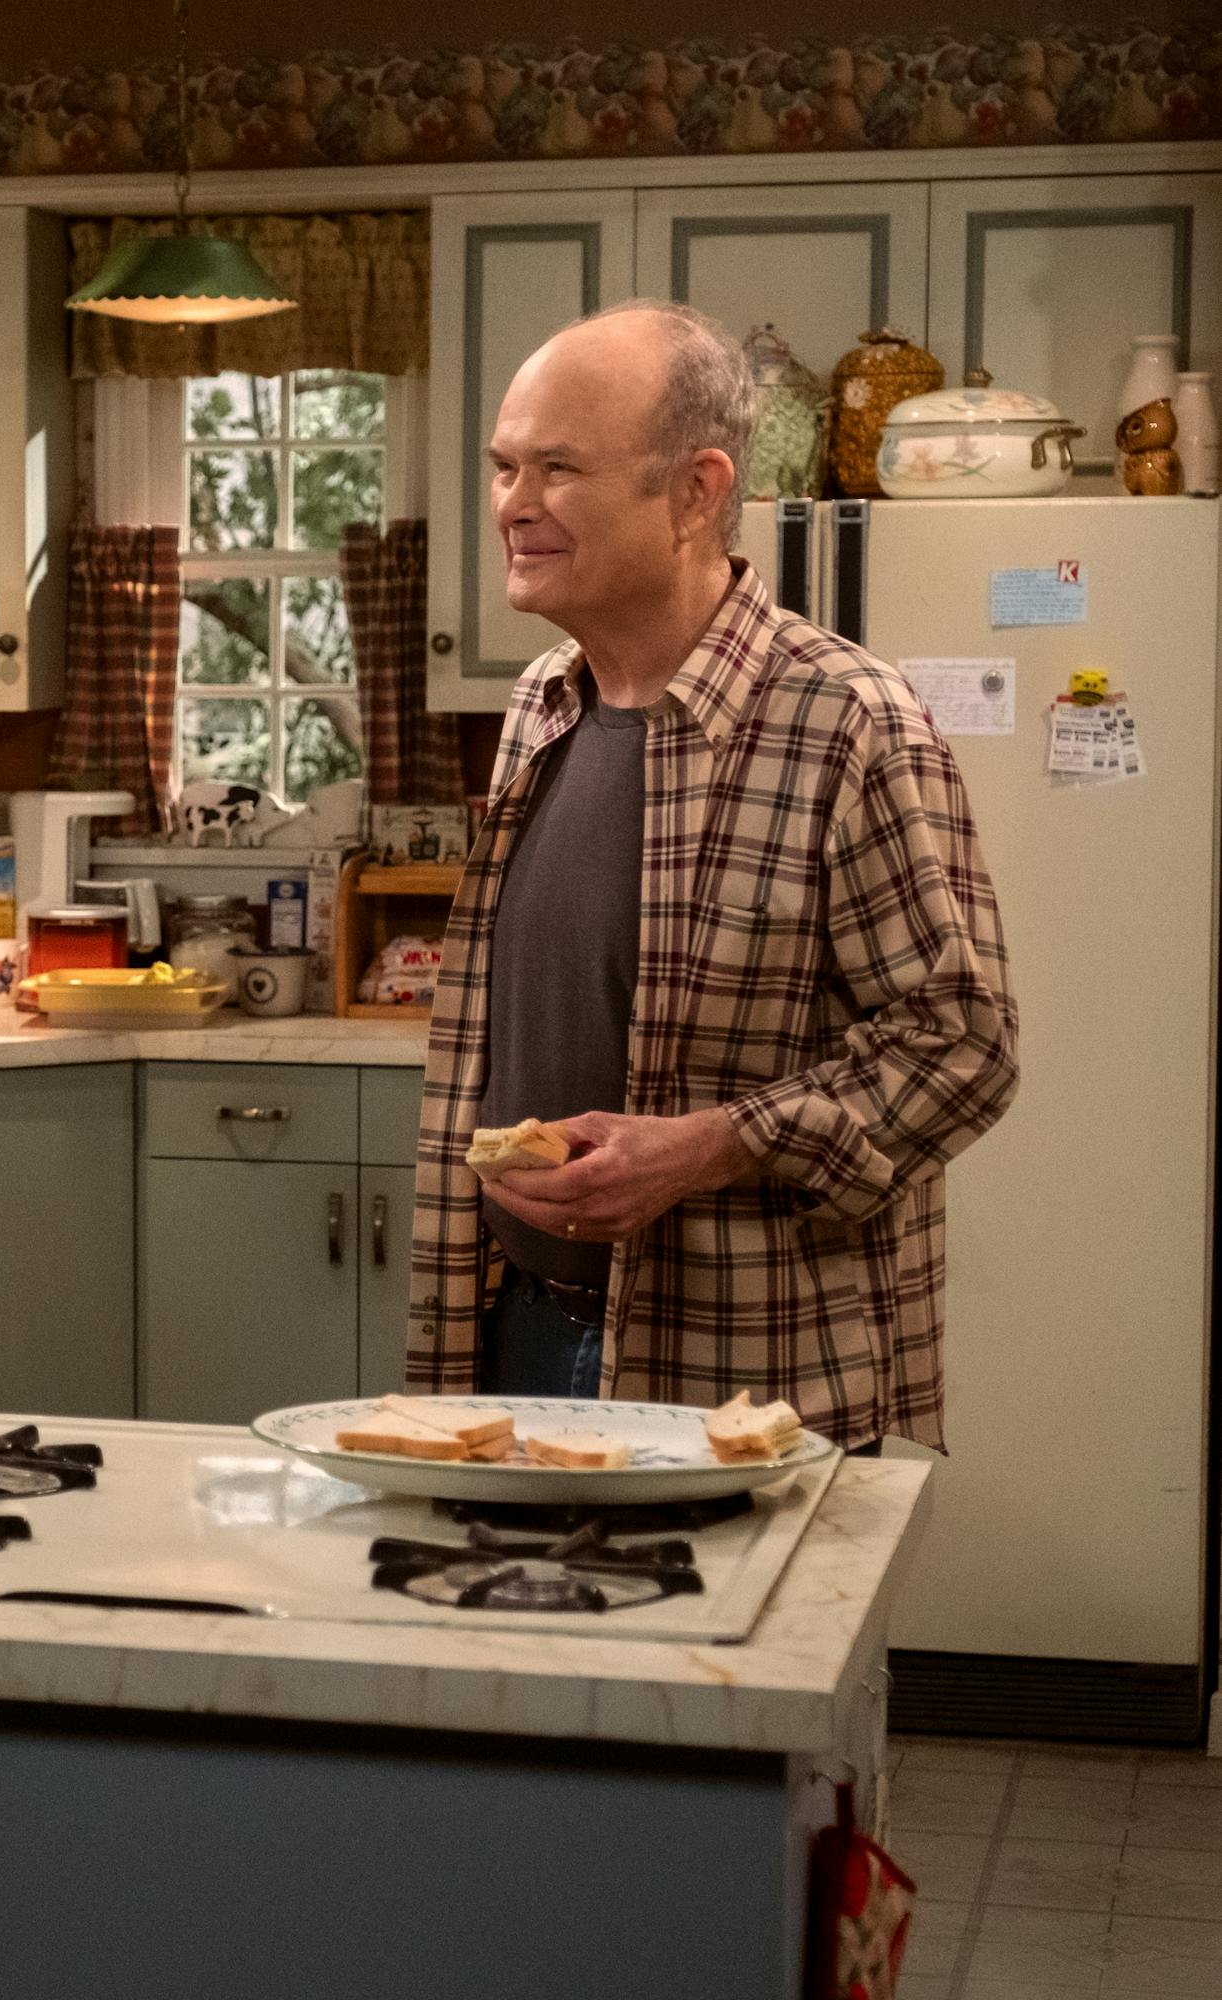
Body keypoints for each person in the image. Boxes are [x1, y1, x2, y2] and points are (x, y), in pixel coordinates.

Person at [406, 302, 1019, 1452]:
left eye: (557, 468)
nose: (511, 504)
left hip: (743, 1374)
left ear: (694, 489)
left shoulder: (846, 720)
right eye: (502, 468)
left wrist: (712, 1143)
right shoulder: (540, 704)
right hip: (517, 1332)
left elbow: (963, 1045)